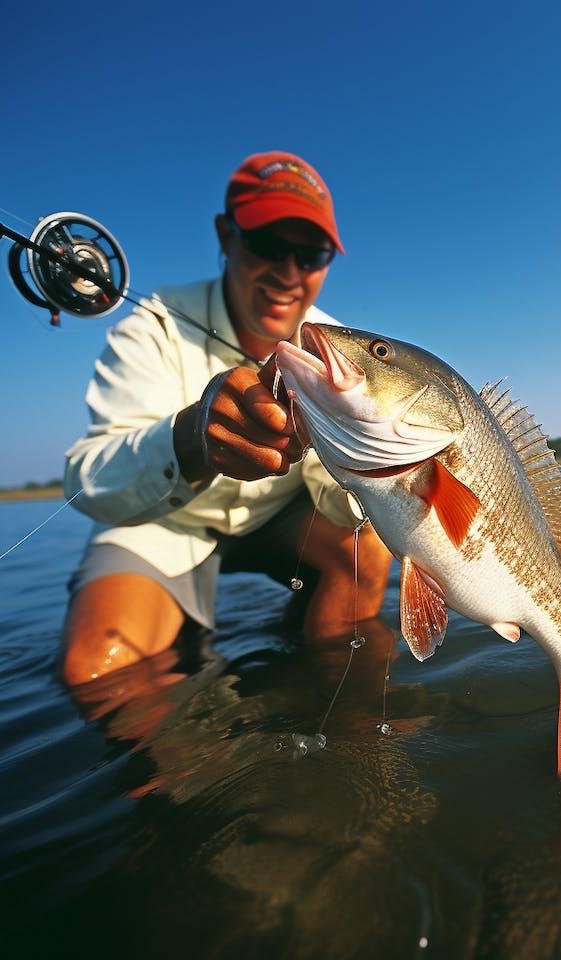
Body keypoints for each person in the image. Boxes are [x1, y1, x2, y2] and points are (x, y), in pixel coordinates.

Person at [61, 151, 393, 686]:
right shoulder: (154, 325)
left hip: (280, 520)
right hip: (166, 522)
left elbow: (337, 496)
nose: (288, 273)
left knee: (367, 544)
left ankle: (339, 713)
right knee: (95, 671)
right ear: (226, 236)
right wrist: (191, 438)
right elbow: (88, 481)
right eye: (267, 244)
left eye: (311, 253)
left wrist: (383, 474)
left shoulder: (338, 348)